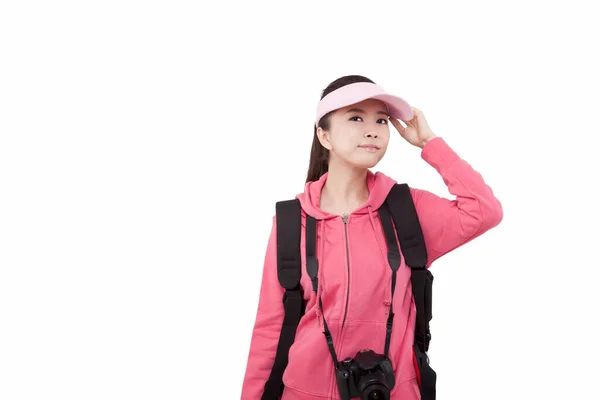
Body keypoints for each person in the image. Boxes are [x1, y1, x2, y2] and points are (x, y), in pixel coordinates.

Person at [240, 75, 504, 400]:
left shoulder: (407, 211)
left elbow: (484, 210)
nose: (372, 129)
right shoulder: (292, 222)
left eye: (381, 119)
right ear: (324, 136)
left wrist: (430, 142)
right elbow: (270, 327)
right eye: (355, 117)